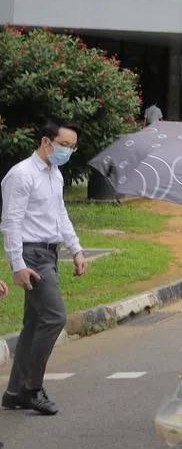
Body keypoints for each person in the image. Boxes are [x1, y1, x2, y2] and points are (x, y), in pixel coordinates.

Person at [1, 119, 87, 416]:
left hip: (50, 253)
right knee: (54, 318)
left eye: (72, 147)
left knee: (34, 325)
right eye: (64, 145)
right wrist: (17, 265)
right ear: (46, 142)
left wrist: (75, 249)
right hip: (32, 255)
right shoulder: (21, 175)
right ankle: (31, 388)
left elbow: (60, 214)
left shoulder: (55, 175)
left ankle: (14, 392)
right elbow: (11, 222)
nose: (67, 151)